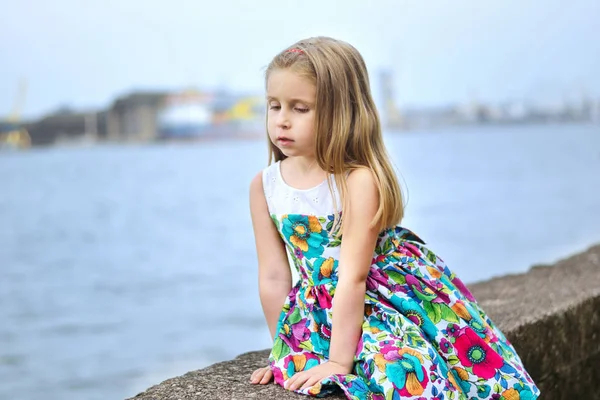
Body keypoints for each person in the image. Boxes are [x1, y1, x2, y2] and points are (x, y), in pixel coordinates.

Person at [248, 36, 539, 399]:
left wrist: (339, 363)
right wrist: (285, 351)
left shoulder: (356, 180)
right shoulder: (266, 186)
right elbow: (274, 277)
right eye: (274, 106)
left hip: (378, 298)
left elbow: (353, 278)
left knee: (402, 372)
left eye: (300, 108)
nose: (282, 121)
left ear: (341, 112)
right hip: (318, 314)